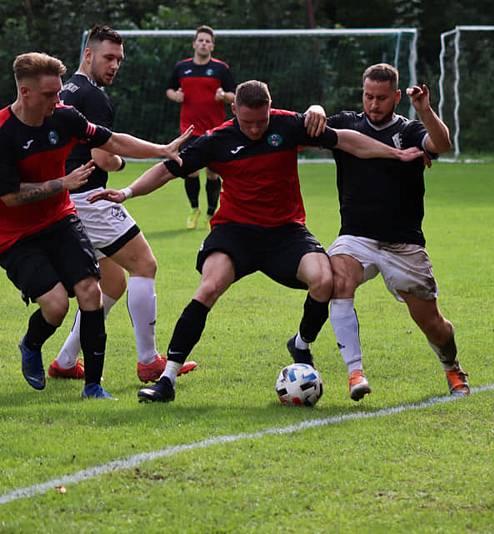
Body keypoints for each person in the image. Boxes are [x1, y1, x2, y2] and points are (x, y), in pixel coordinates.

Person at [88, 80, 424, 403]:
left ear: (270, 108)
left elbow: (348, 141)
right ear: (233, 109)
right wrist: (128, 192)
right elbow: (167, 169)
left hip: (286, 231)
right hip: (235, 232)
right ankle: (167, 379)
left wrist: (394, 155)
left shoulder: (287, 125)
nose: (254, 129)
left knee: (324, 280)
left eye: (261, 121)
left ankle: (302, 344)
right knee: (209, 287)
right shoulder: (216, 140)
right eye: (247, 122)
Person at [0, 52, 191, 399]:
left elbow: (112, 141)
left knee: (91, 291)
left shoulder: (64, 117)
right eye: (49, 95)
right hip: (15, 235)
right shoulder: (3, 132)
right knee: (56, 305)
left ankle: (93, 386)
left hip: (60, 219)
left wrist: (161, 149)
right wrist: (63, 183)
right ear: (25, 93)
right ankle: (31, 343)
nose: (57, 100)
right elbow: (10, 197)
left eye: (59, 92)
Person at [311, 63, 470, 401]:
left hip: (404, 243)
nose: (374, 104)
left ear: (396, 97)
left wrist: (425, 110)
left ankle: (452, 367)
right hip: (356, 238)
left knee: (433, 323)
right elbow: (308, 130)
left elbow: (441, 143)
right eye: (369, 96)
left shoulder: (411, 131)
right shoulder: (347, 124)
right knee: (338, 279)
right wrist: (316, 109)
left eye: (382, 98)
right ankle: (355, 372)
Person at [49, 25, 198, 383]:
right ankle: (149, 361)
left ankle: (66, 361)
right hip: (90, 199)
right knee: (145, 264)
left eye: (119, 59)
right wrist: (130, 159)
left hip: (65, 200)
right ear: (88, 54)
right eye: (108, 57)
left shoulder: (66, 90)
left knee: (112, 283)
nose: (115, 65)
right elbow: (104, 154)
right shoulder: (94, 96)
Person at [167, 25, 235, 230]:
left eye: (208, 41)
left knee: (213, 174)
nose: (204, 43)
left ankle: (210, 213)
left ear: (212, 46)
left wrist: (224, 96)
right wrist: (175, 96)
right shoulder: (182, 67)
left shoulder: (221, 69)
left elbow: (234, 95)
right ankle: (194, 209)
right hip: (189, 130)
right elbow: (169, 89)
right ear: (194, 43)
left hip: (215, 130)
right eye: (201, 40)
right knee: (191, 172)